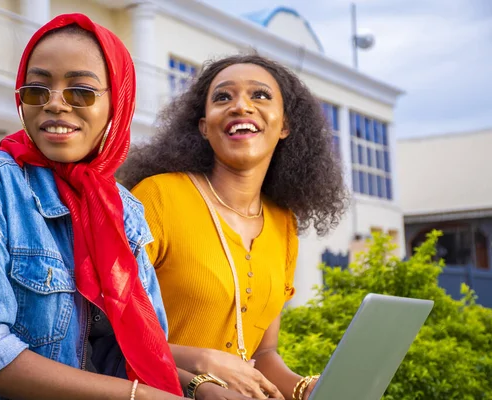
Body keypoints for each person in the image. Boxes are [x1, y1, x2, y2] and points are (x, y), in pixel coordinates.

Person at [0, 14, 250, 400]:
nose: (55, 104)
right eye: (37, 89)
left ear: (116, 104)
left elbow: (119, 350)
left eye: (81, 91)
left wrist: (197, 385)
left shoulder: (121, 209)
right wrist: (138, 396)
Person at [119, 54, 348, 400]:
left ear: (285, 125)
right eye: (223, 97)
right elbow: (112, 333)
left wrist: (305, 388)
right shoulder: (158, 197)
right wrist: (200, 374)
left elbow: (263, 354)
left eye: (260, 95)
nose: (241, 106)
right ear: (203, 126)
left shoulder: (283, 223)